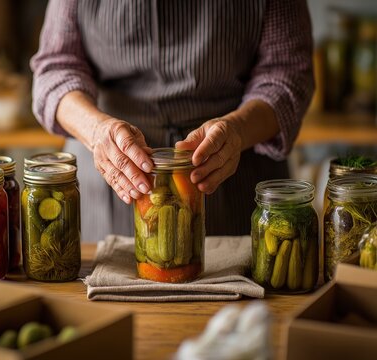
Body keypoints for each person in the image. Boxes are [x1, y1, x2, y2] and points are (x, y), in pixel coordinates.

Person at [31, 0, 314, 242]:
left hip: (232, 175)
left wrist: (237, 130)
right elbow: (57, 68)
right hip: (110, 180)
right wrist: (96, 130)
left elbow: (286, 74)